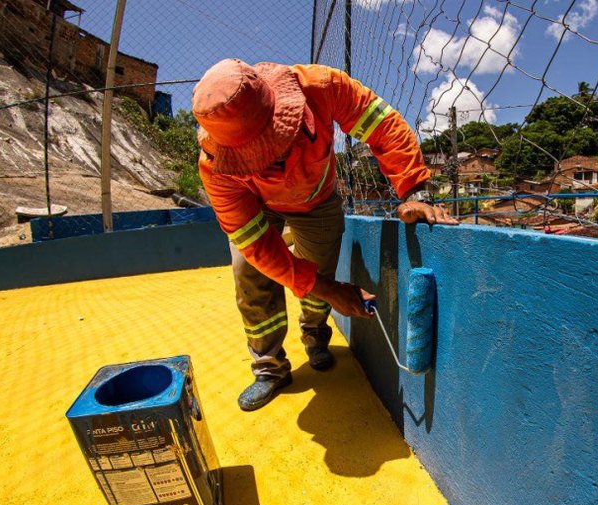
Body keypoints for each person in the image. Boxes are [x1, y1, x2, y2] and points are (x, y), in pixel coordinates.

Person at [191, 58, 457, 411]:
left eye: (277, 143)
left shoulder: (322, 85)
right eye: (259, 157)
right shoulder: (215, 167)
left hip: (317, 199)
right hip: (257, 204)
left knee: (318, 269)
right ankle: (269, 367)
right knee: (248, 274)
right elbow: (255, 245)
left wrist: (414, 190)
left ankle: (315, 335)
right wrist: (333, 291)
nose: (275, 162)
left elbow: (384, 127)